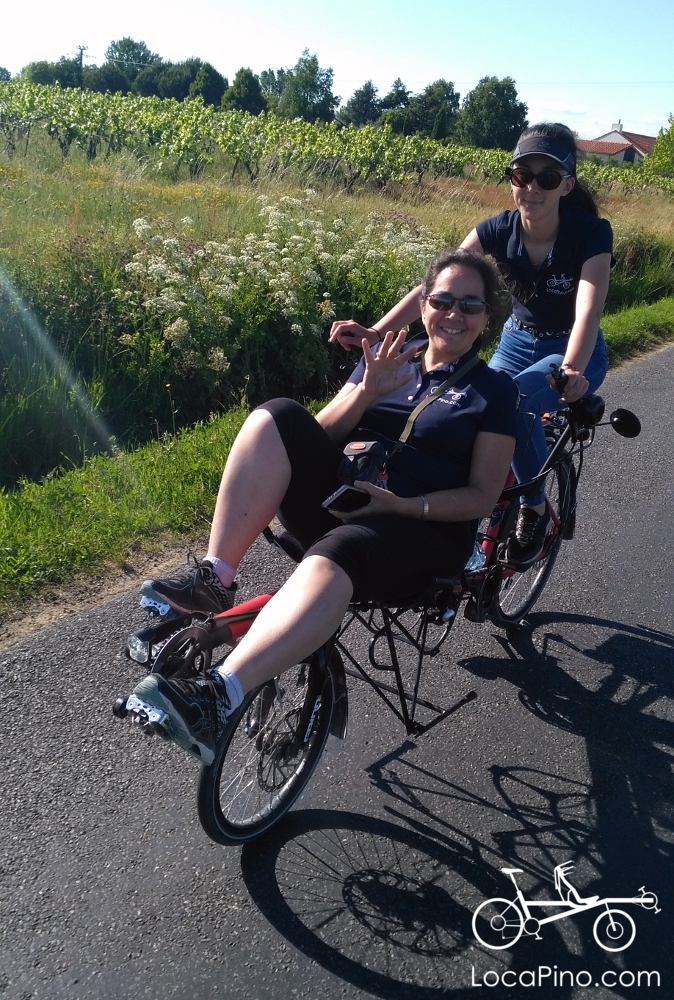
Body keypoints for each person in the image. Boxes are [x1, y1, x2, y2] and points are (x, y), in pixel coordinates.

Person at [132, 249, 518, 765]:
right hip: (346, 503)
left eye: (469, 305)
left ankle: (216, 696)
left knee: (344, 549)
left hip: (422, 532)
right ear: (423, 305)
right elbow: (320, 433)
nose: (454, 314)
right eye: (442, 300)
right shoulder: (387, 356)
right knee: (280, 416)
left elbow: (481, 497)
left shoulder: (495, 393)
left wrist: (402, 506)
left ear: (486, 318)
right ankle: (214, 576)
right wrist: (366, 391)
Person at [330, 122, 613, 568]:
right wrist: (376, 331)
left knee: (512, 404)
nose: (533, 188)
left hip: (572, 349)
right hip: (517, 342)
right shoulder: (497, 229)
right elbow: (438, 283)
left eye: (548, 177)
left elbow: (588, 309)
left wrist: (573, 370)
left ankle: (534, 507)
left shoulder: (590, 233)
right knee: (476, 409)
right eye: (523, 176)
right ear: (512, 180)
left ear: (567, 185)